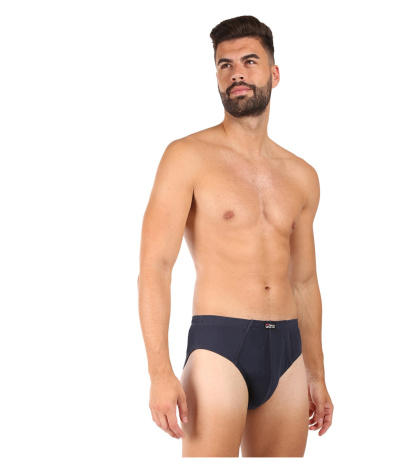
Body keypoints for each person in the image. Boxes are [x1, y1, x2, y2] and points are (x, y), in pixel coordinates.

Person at [137, 15, 334, 457]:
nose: (236, 73)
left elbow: (304, 282)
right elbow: (155, 267)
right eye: (225, 65)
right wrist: (159, 372)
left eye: (249, 61)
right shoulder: (187, 156)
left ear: (274, 74)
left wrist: (317, 373)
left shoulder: (302, 176)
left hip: (288, 351)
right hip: (219, 346)